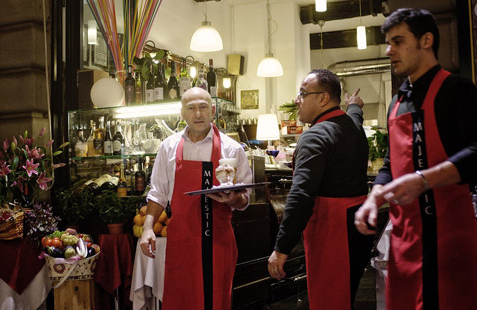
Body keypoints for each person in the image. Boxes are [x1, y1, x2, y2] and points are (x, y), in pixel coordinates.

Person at [354, 8, 477, 310]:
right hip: (405, 239)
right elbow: (393, 163)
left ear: (427, 40)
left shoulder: (456, 90)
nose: (389, 51)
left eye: (398, 41)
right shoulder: (397, 102)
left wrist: (423, 180)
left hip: (449, 238)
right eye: (388, 43)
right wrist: (373, 197)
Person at [267, 69, 374, 310]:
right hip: (357, 224)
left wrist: (282, 248)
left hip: (333, 229)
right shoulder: (351, 126)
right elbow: (355, 117)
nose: (297, 100)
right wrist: (354, 105)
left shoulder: (314, 136)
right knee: (344, 296)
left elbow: (301, 195)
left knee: (329, 300)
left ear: (323, 99)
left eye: (303, 94)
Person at [140, 87, 253, 310]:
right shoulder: (168, 147)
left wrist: (232, 199)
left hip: (219, 242)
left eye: (203, 107)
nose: (198, 114)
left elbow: (245, 199)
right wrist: (147, 228)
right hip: (182, 242)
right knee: (181, 300)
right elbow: (158, 193)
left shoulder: (232, 149)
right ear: (182, 113)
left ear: (212, 111)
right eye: (191, 108)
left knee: (216, 300)